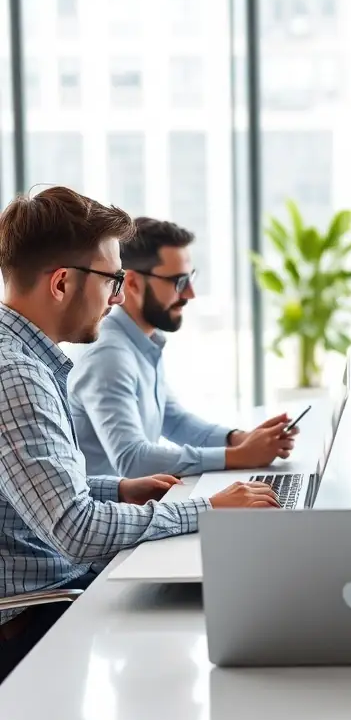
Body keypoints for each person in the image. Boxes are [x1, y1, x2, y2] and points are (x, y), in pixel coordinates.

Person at [0, 187, 280, 683]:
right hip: (37, 620)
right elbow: (76, 530)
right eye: (112, 279)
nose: (115, 296)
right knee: (207, 624)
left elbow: (40, 498)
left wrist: (121, 489)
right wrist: (209, 509)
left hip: (62, 590)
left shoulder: (28, 362)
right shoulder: (16, 375)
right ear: (62, 283)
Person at [69, 217, 296, 478]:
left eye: (190, 278)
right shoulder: (108, 355)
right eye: (178, 282)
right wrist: (238, 457)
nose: (189, 294)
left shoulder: (141, 341)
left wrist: (240, 439)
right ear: (131, 283)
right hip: (111, 513)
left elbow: (174, 420)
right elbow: (132, 460)